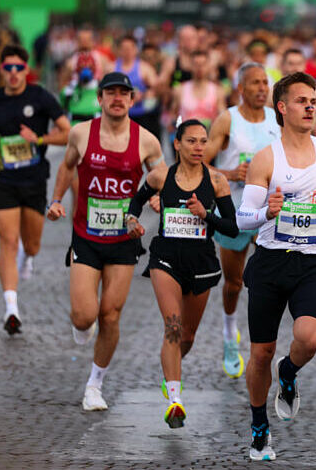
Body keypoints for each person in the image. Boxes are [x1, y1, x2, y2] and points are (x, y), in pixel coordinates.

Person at [235, 72, 316, 461]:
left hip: (312, 263)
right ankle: (259, 426)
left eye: (313, 100)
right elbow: (242, 216)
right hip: (270, 263)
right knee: (260, 353)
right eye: (301, 100)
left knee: (310, 337)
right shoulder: (267, 159)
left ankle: (289, 373)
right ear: (282, 107)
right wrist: (264, 212)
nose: (311, 106)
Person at [46, 71, 165, 411]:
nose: (117, 98)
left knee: (110, 315)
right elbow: (67, 167)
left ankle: (94, 385)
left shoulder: (146, 140)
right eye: (110, 93)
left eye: (123, 93)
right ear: (99, 99)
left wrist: (159, 197)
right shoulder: (81, 134)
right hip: (86, 235)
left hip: (123, 239)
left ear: (132, 100)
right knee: (84, 317)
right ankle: (83, 325)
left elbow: (161, 177)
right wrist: (55, 200)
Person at [124, 119, 238, 428]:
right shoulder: (161, 176)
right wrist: (132, 218)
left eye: (203, 141)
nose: (199, 147)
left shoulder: (216, 181)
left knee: (187, 336)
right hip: (166, 259)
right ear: (177, 144)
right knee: (173, 326)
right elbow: (135, 200)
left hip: (201, 264)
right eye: (191, 141)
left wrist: (207, 214)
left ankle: (170, 371)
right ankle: (175, 400)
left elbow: (232, 226)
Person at [0, 44, 70, 334]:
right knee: (8, 242)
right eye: (8, 68)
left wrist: (38, 139)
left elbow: (68, 134)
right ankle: (11, 308)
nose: (13, 74)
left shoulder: (40, 97)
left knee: (31, 244)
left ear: (27, 70)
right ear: (2, 70)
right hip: (1, 180)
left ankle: (28, 257)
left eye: (18, 68)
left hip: (34, 181)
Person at [204, 63, 280, 379]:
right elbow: (199, 163)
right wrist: (229, 174)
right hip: (234, 210)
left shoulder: (278, 120)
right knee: (234, 283)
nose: (262, 88)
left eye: (266, 83)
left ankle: (262, 345)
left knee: (268, 282)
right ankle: (229, 331)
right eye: (255, 83)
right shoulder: (228, 119)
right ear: (241, 88)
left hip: (271, 213)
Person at [115, 35, 160, 139]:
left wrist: (144, 95)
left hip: (140, 115)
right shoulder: (111, 67)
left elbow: (156, 90)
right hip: (118, 116)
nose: (127, 52)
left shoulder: (145, 68)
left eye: (130, 48)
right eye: (124, 48)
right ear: (119, 50)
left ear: (135, 50)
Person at [172, 49, 226, 128]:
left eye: (203, 64)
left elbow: (223, 117)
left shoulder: (218, 91)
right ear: (190, 66)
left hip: (209, 137)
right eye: (196, 64)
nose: (199, 68)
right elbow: (172, 117)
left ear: (208, 66)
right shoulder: (179, 90)